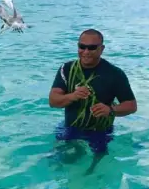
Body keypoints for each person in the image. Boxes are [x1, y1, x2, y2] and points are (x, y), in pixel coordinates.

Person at [49, 29, 137, 169]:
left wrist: (110, 109)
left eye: (92, 47)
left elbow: (131, 105)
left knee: (95, 166)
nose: (86, 51)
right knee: (59, 162)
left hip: (101, 130)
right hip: (70, 127)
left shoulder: (114, 74)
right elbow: (53, 101)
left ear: (101, 49)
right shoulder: (66, 69)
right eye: (82, 47)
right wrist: (73, 96)